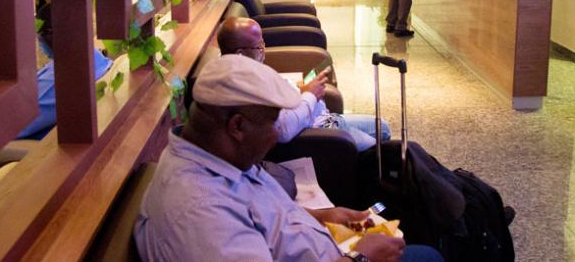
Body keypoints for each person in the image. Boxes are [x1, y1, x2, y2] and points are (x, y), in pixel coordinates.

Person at [135, 54, 442, 262]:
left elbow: (260, 216)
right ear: (237, 126)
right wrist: (360, 257)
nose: (276, 134)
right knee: (429, 256)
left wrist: (324, 216)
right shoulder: (200, 215)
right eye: (272, 122)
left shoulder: (219, 159)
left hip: (327, 246)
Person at [218, 17, 390, 151]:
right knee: (383, 148)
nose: (264, 51)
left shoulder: (250, 70)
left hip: (325, 118)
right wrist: (310, 94)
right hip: (321, 133)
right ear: (240, 54)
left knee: (383, 126)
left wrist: (299, 89)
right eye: (259, 47)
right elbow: (284, 129)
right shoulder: (248, 86)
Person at [16, 3, 113, 139]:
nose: (39, 43)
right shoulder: (96, 59)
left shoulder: (63, 79)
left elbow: (8, 126)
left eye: (39, 37)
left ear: (50, 36)